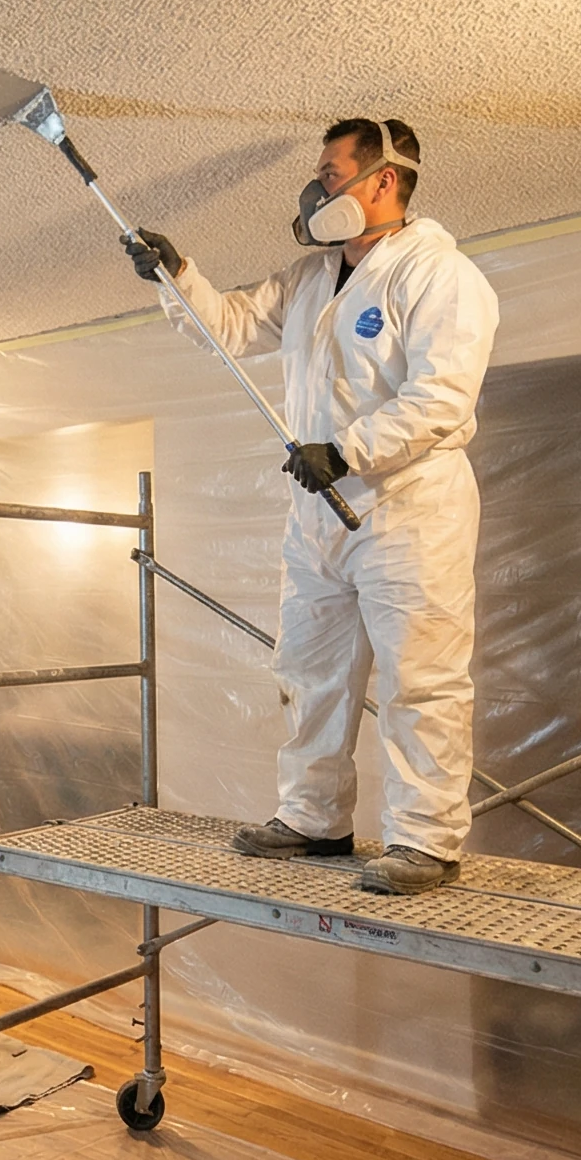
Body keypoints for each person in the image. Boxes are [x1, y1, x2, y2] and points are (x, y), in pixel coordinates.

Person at [124, 119, 498, 895]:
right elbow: (224, 327)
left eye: (331, 173)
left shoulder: (439, 276)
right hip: (320, 514)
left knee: (417, 678)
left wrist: (349, 449)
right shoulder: (308, 277)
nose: (318, 188)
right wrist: (176, 274)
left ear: (384, 180)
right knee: (311, 668)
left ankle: (425, 841)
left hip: (408, 506)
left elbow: (443, 395)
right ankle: (315, 819)